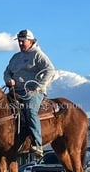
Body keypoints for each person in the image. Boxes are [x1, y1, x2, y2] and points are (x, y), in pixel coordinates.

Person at [4, 29, 55, 158]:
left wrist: (38, 87)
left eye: (23, 41)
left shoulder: (38, 54)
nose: (20, 44)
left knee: (30, 109)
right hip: (15, 91)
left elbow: (50, 70)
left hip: (32, 92)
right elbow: (7, 72)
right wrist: (8, 80)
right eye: (19, 41)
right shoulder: (15, 57)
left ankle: (37, 144)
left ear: (31, 41)